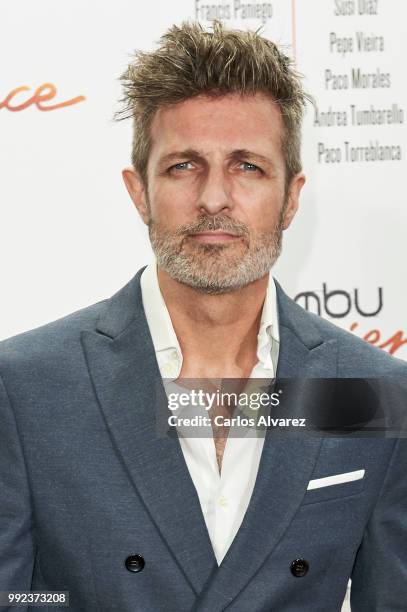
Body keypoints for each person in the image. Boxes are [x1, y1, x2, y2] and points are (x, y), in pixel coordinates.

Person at [0, 20, 406, 612]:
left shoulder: (370, 389)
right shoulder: (26, 387)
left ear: (291, 197)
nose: (214, 197)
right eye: (183, 166)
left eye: (248, 167)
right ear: (139, 191)